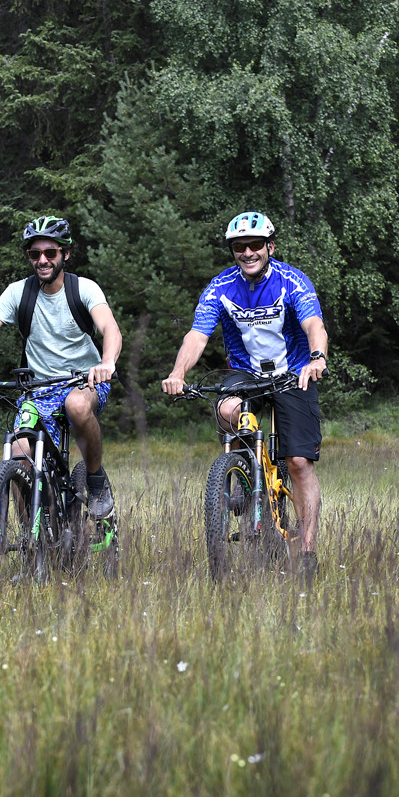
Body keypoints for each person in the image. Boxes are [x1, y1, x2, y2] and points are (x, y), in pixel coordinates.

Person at [160, 211, 329, 580]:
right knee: (227, 409)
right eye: (240, 247)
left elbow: (314, 324)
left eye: (255, 245)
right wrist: (178, 373)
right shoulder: (220, 287)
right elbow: (197, 335)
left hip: (293, 372)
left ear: (270, 246)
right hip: (244, 373)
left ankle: (307, 553)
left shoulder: (291, 281)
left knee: (299, 463)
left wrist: (317, 358)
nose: (248, 252)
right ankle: (242, 471)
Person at [0, 216, 123, 519]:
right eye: (34, 254)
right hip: (38, 389)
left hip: (86, 381)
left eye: (50, 253)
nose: (42, 260)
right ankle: (32, 543)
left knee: (76, 405)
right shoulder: (18, 293)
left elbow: (110, 329)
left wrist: (106, 363)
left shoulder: (84, 289)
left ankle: (95, 479)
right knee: (18, 454)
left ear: (65, 254)